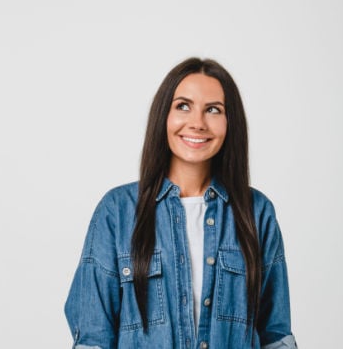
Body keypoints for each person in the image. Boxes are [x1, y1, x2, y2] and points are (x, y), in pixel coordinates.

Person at [64, 58, 296, 348]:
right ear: (164, 115)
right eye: (183, 106)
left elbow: (275, 336)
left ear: (229, 122)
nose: (197, 123)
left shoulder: (257, 213)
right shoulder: (117, 212)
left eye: (213, 110)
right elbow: (92, 337)